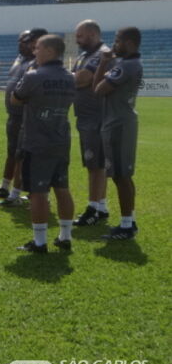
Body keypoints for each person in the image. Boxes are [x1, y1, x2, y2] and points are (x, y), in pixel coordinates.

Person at [11, 35, 76, 252]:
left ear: (49, 51)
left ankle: (39, 242)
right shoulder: (70, 77)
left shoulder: (34, 76)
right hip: (61, 139)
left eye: (37, 48)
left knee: (37, 192)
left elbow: (16, 98)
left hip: (37, 141)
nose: (34, 52)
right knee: (62, 188)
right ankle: (65, 237)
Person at [93, 27, 143, 240]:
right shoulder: (129, 64)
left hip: (118, 125)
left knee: (121, 176)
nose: (114, 45)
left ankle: (126, 226)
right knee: (124, 175)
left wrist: (104, 62)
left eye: (118, 41)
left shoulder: (127, 66)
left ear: (129, 42)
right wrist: (105, 63)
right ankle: (128, 222)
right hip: (121, 123)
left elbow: (98, 89)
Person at [0, 28, 47, 205]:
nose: (21, 44)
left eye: (26, 40)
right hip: (13, 115)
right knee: (12, 152)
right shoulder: (20, 59)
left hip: (26, 116)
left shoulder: (39, 63)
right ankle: (5, 187)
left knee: (23, 155)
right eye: (21, 40)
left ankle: (19, 193)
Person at [71, 20, 111, 226]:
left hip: (95, 116)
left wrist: (67, 76)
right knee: (96, 164)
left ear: (93, 35)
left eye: (80, 36)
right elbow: (78, 77)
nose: (77, 40)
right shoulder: (86, 55)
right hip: (87, 115)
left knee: (94, 164)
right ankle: (101, 206)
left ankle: (93, 208)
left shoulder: (100, 54)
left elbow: (83, 79)